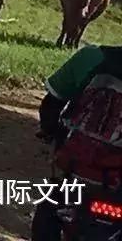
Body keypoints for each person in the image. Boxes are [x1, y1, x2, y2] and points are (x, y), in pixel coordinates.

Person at [33, 44, 122, 239]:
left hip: (75, 168)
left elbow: (51, 105)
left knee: (51, 205)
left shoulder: (90, 57)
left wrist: (51, 133)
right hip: (115, 187)